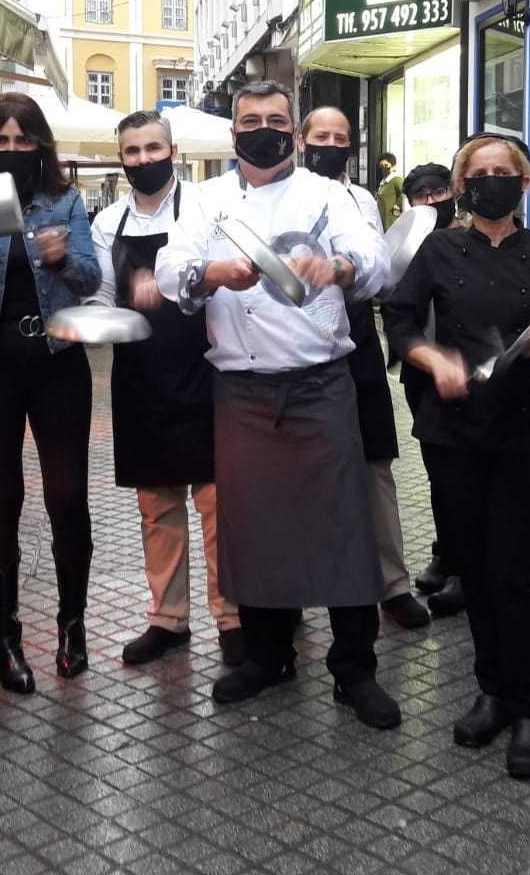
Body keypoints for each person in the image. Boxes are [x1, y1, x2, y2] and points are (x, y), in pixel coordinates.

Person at [156, 80, 400, 730]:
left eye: (276, 120)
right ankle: (268, 656)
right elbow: (168, 274)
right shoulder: (203, 200)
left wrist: (340, 270)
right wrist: (212, 274)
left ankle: (354, 669)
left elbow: (376, 262)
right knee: (252, 527)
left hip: (321, 382)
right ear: (233, 131)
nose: (262, 129)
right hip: (242, 387)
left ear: (294, 134)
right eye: (250, 120)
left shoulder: (331, 196)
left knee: (344, 524)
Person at [384, 135, 530, 779]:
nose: (491, 181)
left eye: (505, 172)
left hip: (526, 431)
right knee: (473, 571)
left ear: (524, 183)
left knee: (513, 575)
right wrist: (431, 358)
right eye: (480, 172)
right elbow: (402, 322)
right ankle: (491, 690)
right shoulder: (439, 248)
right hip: (453, 431)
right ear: (464, 185)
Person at [0, 92, 100, 693]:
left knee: (66, 496)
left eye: (23, 140)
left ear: (41, 145)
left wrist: (63, 259)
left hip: (59, 361)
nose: (11, 150)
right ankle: (5, 639)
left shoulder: (65, 202)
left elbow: (90, 279)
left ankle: (73, 626)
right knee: (0, 500)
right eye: (0, 140)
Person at [89, 111, 244, 668]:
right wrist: (102, 317)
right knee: (157, 509)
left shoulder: (202, 209)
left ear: (172, 149)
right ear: (121, 158)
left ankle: (231, 617)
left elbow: (222, 282)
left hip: (201, 367)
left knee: (216, 503)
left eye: (152, 148)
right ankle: (168, 619)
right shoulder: (107, 223)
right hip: (139, 376)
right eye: (132, 152)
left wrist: (181, 289)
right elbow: (103, 295)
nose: (143, 160)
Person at [299, 107, 428, 630]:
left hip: (356, 339)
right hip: (298, 346)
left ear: (351, 147)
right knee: (301, 473)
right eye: (320, 136)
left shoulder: (364, 200)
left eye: (340, 138)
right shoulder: (277, 194)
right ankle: (297, 589)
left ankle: (391, 583)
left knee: (376, 464)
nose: (330, 144)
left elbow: (379, 272)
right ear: (302, 141)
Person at [396, 162, 465, 614]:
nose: (429, 204)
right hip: (422, 370)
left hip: (470, 366)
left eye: (437, 193)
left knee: (468, 472)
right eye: (420, 197)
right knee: (440, 471)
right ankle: (447, 552)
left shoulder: (471, 235)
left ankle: (468, 566)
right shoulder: (405, 246)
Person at [376, 152, 405, 228]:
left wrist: (397, 209)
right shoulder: (384, 182)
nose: (384, 169)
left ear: (393, 165)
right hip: (382, 221)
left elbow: (405, 194)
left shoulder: (396, 179)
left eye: (386, 165)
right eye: (381, 166)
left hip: (391, 223)